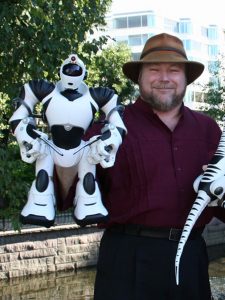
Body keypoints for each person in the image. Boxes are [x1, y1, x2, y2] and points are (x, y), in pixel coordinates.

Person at [56, 33, 225, 300]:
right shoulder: (107, 129)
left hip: (191, 258)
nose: (164, 78)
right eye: (154, 69)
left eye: (174, 70)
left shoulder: (209, 130)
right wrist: (64, 147)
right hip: (127, 262)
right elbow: (65, 195)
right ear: (140, 77)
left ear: (185, 78)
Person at [9, 53, 126, 228]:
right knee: (42, 179)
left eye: (76, 71)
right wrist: (24, 131)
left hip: (82, 150)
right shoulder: (45, 90)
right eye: (68, 70)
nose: (72, 74)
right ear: (61, 72)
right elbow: (22, 106)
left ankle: (88, 204)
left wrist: (111, 138)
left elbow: (117, 120)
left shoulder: (97, 96)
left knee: (88, 179)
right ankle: (40, 204)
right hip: (50, 148)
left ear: (84, 74)